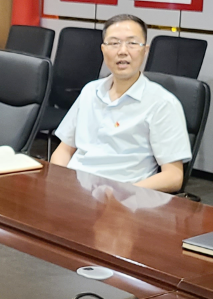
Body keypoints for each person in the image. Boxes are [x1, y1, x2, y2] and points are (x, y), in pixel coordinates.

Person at [50, 14, 191, 193]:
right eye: (114, 43)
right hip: (76, 191)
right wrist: (59, 182)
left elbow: (173, 176)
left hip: (125, 197)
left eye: (132, 43)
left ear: (145, 50)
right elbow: (64, 150)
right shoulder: (90, 91)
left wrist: (122, 193)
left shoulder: (162, 103)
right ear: (103, 49)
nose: (122, 51)